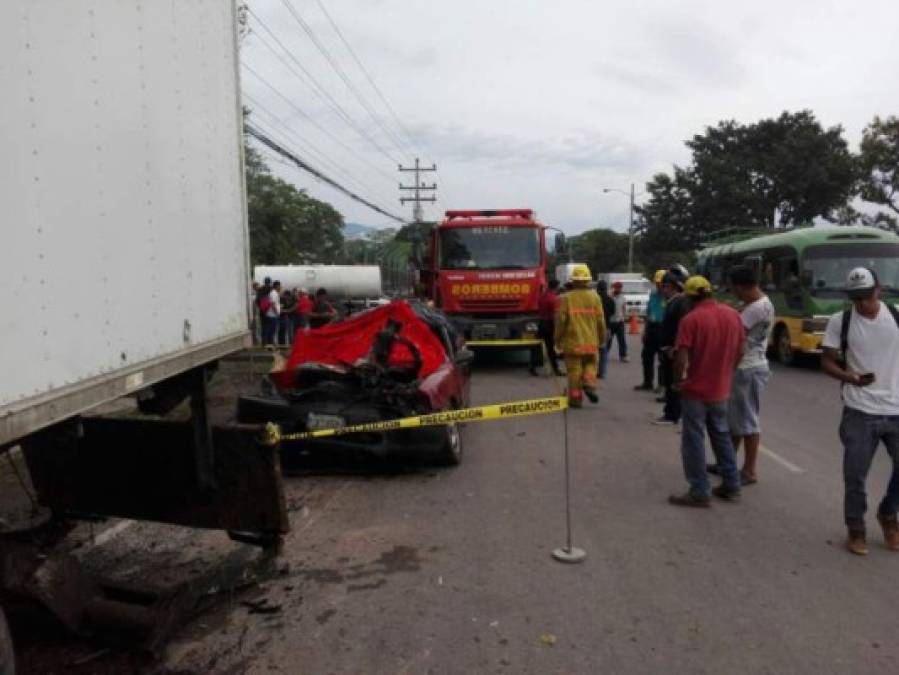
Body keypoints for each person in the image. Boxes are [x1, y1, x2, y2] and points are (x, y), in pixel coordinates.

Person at [821, 267, 899, 556]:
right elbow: (827, 362)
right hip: (859, 410)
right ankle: (856, 528)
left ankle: (889, 513)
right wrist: (849, 377)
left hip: (896, 409)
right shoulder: (840, 322)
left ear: (878, 289)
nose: (862, 303)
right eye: (856, 298)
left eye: (866, 296)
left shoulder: (896, 316)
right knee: (855, 475)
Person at [668, 275, 745, 507]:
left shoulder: (691, 320)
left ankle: (699, 491)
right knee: (721, 435)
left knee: (693, 440)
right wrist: (727, 373)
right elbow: (741, 350)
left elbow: (681, 359)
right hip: (721, 389)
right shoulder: (733, 315)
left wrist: (676, 382)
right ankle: (732, 485)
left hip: (696, 391)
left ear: (691, 297)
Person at [707, 265, 775, 485]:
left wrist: (725, 366)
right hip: (749, 366)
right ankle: (727, 462)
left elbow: (735, 338)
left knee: (748, 422)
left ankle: (749, 471)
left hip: (748, 368)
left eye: (734, 289)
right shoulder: (760, 303)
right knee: (734, 419)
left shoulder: (755, 309)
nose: (733, 294)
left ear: (741, 286)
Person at [554, 264, 606, 408]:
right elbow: (601, 320)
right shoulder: (595, 298)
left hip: (572, 343)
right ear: (588, 280)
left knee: (574, 371)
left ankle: (576, 399)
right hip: (591, 342)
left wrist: (557, 340)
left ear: (573, 281)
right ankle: (589, 384)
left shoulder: (566, 298)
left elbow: (560, 321)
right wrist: (602, 338)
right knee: (591, 365)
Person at [653, 268, 690, 426]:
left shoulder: (680, 303)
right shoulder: (672, 302)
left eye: (665, 286)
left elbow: (682, 327)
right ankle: (672, 412)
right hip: (667, 349)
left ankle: (673, 415)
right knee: (669, 382)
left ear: (674, 286)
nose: (662, 290)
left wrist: (675, 347)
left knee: (674, 382)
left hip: (673, 350)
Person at [635, 269, 667, 392]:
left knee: (662, 359)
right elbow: (649, 313)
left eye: (661, 284)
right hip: (652, 328)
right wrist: (645, 330)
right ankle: (647, 382)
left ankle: (661, 384)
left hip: (663, 328)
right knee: (646, 356)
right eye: (657, 283)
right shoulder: (653, 294)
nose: (659, 286)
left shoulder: (669, 297)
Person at [530, 280, 563, 376]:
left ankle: (532, 366)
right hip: (550, 324)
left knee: (536, 346)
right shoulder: (554, 299)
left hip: (541, 323)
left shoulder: (542, 297)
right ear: (556, 287)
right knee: (551, 348)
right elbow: (555, 315)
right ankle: (555, 369)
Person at [595, 280, 616, 379]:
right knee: (603, 350)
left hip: (593, 328)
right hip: (606, 327)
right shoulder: (610, 300)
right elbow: (612, 313)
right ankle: (602, 372)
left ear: (597, 289)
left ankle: (591, 371)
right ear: (606, 288)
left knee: (593, 350)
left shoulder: (594, 299)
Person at [606, 281, 629, 362]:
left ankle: (623, 356)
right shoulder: (609, 296)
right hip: (611, 322)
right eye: (616, 287)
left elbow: (624, 308)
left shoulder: (623, 297)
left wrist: (624, 318)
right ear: (613, 288)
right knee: (608, 340)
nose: (618, 289)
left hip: (619, 322)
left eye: (619, 288)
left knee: (622, 340)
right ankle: (604, 355)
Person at [261, 280, 281, 346]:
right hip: (272, 315)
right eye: (279, 286)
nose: (280, 287)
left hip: (271, 315)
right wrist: (276, 313)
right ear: (276, 286)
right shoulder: (274, 293)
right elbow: (272, 304)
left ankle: (269, 343)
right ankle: (270, 344)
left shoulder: (273, 293)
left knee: (271, 330)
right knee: (271, 331)